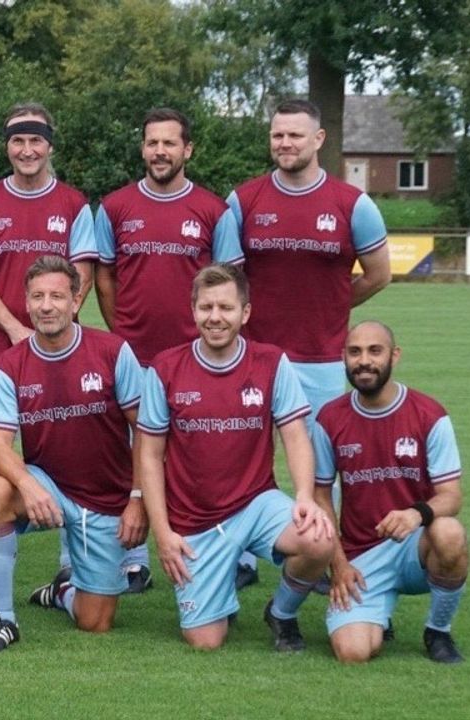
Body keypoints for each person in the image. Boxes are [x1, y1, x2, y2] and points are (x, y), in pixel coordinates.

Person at [225, 98, 390, 588]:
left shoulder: (352, 203)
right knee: (238, 458)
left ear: (318, 140)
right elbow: (229, 282)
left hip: (320, 360)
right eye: (278, 135)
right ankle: (241, 557)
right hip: (253, 357)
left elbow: (378, 274)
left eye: (296, 135)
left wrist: (334, 309)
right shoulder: (244, 200)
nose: (285, 143)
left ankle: (320, 556)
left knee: (320, 469)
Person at [134, 262, 335, 652]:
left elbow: (295, 436)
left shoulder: (271, 363)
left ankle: (282, 611)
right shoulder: (165, 368)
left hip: (255, 504)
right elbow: (149, 457)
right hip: (195, 521)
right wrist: (163, 534)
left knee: (319, 538)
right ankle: (217, 584)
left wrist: (306, 498)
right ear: (193, 311)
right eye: (206, 307)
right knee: (205, 641)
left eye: (226, 308)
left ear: (245, 313)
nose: (215, 317)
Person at [94, 107, 243, 593]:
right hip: (134, 355)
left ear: (187, 150)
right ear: (143, 148)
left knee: (205, 451)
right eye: (152, 143)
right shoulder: (114, 207)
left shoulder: (213, 210)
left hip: (196, 356)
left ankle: (225, 545)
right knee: (130, 451)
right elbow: (105, 275)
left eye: (169, 144)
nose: (160, 151)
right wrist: (122, 333)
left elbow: (228, 283)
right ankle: (133, 557)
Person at [0, 256, 146, 651]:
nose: (46, 305)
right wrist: (28, 485)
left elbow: (148, 433)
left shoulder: (112, 351)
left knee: (95, 622)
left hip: (107, 497)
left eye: (56, 296)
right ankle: (3, 618)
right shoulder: (9, 364)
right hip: (48, 487)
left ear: (76, 300)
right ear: (27, 303)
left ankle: (62, 590)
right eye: (37, 297)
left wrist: (138, 499)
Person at [0, 102, 98, 589]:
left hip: (62, 350)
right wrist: (17, 332)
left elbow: (85, 276)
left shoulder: (75, 204)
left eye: (36, 140)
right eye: (18, 141)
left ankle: (70, 556)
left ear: (49, 145)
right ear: (7, 147)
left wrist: (53, 331)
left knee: (75, 447)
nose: (27, 149)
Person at [313, 321, 468, 663]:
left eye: (375, 351)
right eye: (355, 352)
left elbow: (451, 497)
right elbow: (320, 496)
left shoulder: (430, 414)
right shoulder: (329, 418)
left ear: (394, 356)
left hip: (414, 548)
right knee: (352, 653)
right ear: (343, 358)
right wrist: (338, 565)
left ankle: (438, 631)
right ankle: (377, 615)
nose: (364, 361)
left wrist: (415, 514)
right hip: (361, 555)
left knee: (449, 532)